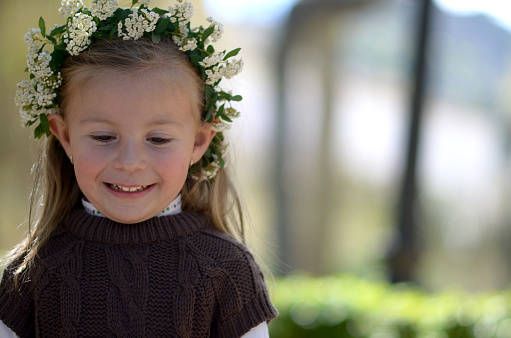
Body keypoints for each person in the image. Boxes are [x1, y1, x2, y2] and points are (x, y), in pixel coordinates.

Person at [0, 0, 278, 337]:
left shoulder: (227, 271)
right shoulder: (29, 276)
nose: (129, 162)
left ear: (199, 142)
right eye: (104, 136)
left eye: (158, 139)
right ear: (65, 136)